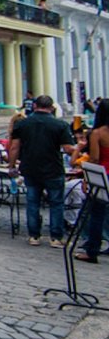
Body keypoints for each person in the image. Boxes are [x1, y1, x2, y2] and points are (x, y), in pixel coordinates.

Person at [10, 94, 78, 247]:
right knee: (56, 203)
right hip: (53, 168)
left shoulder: (23, 124)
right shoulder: (60, 125)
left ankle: (34, 236)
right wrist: (78, 148)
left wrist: (11, 165)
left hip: (30, 167)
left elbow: (14, 147)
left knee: (33, 202)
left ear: (34, 106)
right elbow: (67, 148)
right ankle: (55, 237)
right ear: (52, 107)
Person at [77, 100, 109, 263]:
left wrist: (86, 179)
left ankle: (92, 250)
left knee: (97, 213)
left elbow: (95, 159)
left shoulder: (98, 133)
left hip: (104, 175)